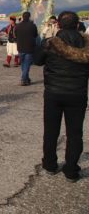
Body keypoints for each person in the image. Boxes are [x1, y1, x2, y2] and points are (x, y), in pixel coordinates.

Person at [34, 11, 89, 182]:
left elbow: (37, 60)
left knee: (51, 131)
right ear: (78, 25)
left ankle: (50, 164)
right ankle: (71, 170)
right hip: (78, 94)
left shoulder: (50, 43)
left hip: (53, 93)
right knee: (75, 133)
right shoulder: (86, 45)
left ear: (58, 24)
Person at [16, 11, 38, 86]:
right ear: (29, 17)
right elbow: (35, 35)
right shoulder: (33, 26)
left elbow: (16, 35)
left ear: (22, 17)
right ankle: (23, 79)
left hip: (20, 47)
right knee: (27, 64)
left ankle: (27, 79)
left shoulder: (18, 26)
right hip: (29, 47)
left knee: (23, 64)